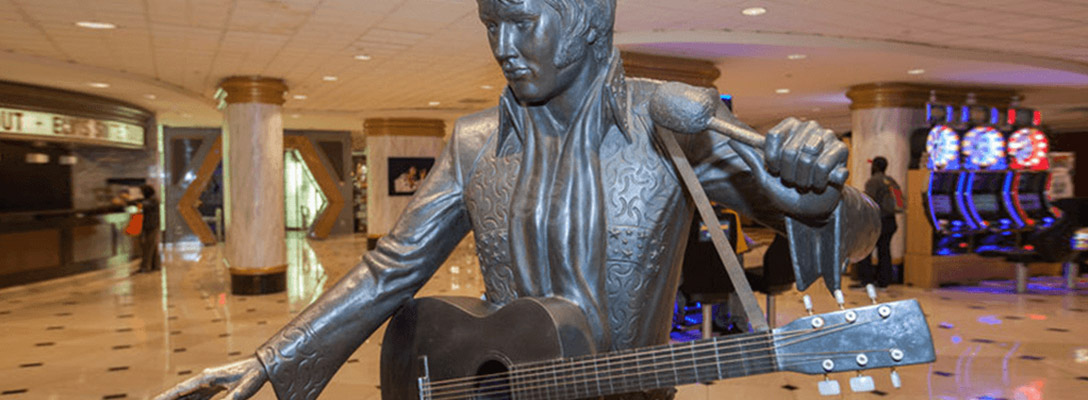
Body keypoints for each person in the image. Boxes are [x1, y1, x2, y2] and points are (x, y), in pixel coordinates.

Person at [156, 1, 879, 399]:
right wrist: (275, 359)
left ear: (590, 16)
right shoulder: (476, 142)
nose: (502, 44)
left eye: (522, 21)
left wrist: (817, 195)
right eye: (490, 22)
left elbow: (855, 236)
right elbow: (391, 270)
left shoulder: (669, 127)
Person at [856, 156, 903, 288]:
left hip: (876, 221)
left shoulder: (873, 181)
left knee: (865, 249)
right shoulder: (891, 181)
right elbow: (899, 201)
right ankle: (884, 281)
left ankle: (867, 280)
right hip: (890, 221)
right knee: (884, 251)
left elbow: (868, 202)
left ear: (875, 166)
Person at [138, 184, 161, 273]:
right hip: (151, 225)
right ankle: (156, 265)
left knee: (148, 247)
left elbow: (143, 205)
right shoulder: (152, 199)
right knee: (152, 246)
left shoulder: (153, 200)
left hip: (151, 226)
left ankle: (145, 267)